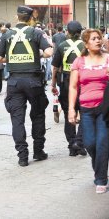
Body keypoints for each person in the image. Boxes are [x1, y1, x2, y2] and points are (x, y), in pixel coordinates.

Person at [0, 6, 53, 167]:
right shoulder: (36, 32)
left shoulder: (7, 34)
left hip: (14, 82)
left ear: (17, 17)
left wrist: (13, 59)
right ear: (30, 18)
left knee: (17, 120)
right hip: (33, 81)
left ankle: (22, 155)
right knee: (38, 115)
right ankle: (38, 151)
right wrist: (37, 54)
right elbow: (49, 52)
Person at [69, 28, 109, 194]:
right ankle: (99, 167)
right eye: (93, 39)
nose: (98, 41)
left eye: (99, 38)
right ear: (86, 43)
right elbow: (73, 87)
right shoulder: (79, 61)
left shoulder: (107, 59)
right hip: (85, 109)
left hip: (104, 109)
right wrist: (71, 109)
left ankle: (101, 179)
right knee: (90, 144)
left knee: (101, 144)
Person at [51, 21, 87, 157]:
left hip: (66, 82)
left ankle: (72, 145)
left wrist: (53, 84)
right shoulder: (86, 45)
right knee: (85, 115)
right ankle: (80, 143)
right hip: (84, 83)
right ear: (80, 32)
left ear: (68, 32)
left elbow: (55, 67)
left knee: (68, 114)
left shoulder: (61, 46)